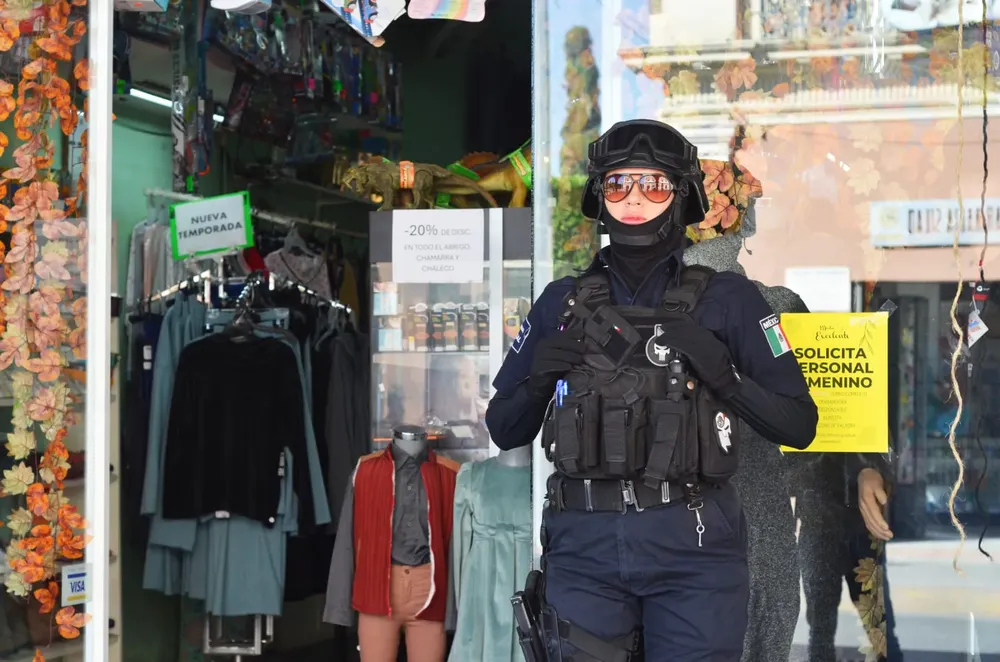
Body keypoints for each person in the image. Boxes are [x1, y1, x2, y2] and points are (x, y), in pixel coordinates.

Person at [486, 119, 818, 661]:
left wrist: (726, 378)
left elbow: (800, 425)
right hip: (584, 546)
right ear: (600, 196)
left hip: (693, 543)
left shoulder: (730, 300)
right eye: (618, 183)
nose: (634, 198)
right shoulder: (559, 302)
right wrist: (538, 380)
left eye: (654, 184)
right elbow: (503, 428)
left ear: (682, 195)